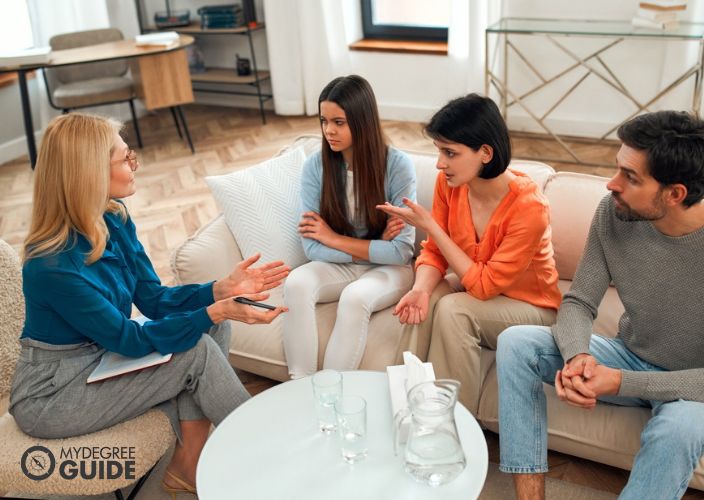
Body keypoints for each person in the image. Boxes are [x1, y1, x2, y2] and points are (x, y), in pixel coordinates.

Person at [9, 113, 289, 496]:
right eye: (125, 159)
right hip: (53, 393)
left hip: (99, 358)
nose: (134, 165)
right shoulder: (50, 265)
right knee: (198, 349)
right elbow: (128, 339)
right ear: (89, 173)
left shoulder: (115, 219)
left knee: (213, 326)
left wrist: (218, 291)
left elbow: (154, 300)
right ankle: (272, 456)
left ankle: (189, 460)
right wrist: (212, 309)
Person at [496, 110, 704, 499]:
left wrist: (620, 381)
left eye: (631, 177)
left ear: (674, 194)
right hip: (629, 355)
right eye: (617, 168)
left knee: (680, 427)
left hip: (700, 384)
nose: (611, 184)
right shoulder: (614, 212)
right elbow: (578, 301)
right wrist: (577, 357)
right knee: (516, 342)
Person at [378, 93, 562, 415]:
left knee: (454, 309)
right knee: (424, 297)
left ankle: (453, 423)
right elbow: (435, 252)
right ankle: (402, 408)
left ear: (486, 153)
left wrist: (432, 226)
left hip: (532, 308)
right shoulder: (448, 184)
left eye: (450, 153)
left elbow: (484, 285)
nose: (439, 163)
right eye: (439, 151)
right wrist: (420, 290)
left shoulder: (529, 208)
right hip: (479, 292)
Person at [282, 75, 417, 378]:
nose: (329, 130)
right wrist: (375, 247)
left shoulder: (398, 166)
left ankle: (332, 393)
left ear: (362, 121)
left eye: (339, 122)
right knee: (296, 283)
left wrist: (332, 237)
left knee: (355, 298)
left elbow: (402, 252)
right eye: (323, 120)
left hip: (393, 270)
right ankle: (299, 385)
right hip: (356, 262)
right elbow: (311, 246)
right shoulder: (315, 167)